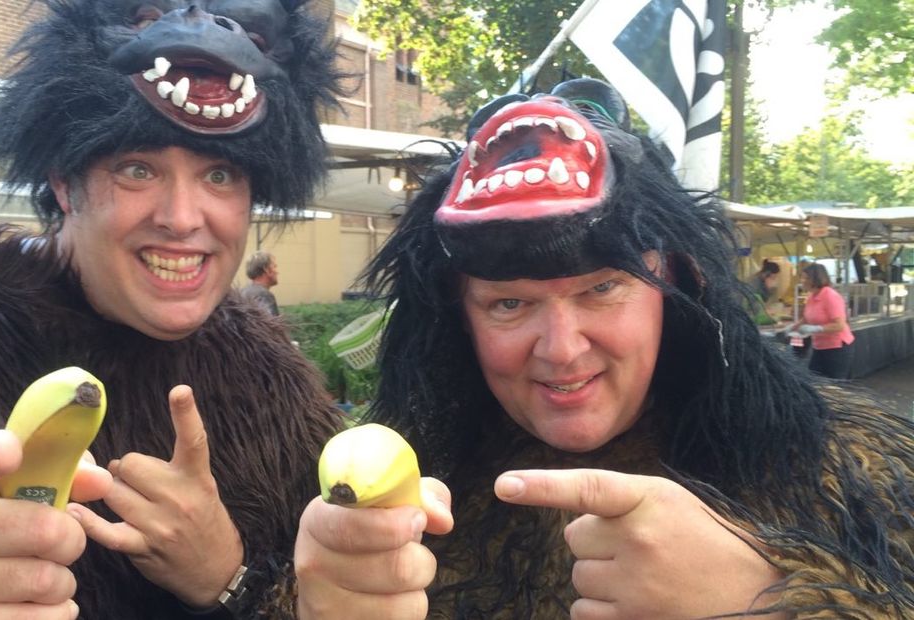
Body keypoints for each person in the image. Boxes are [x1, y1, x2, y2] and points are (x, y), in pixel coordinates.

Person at [294, 79, 914, 618]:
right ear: (456, 320)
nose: (562, 351)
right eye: (508, 304)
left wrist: (772, 602)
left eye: (603, 288)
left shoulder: (855, 465)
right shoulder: (408, 489)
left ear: (677, 286)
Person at [0, 0, 348, 618]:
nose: (182, 218)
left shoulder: (272, 381)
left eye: (220, 176)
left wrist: (226, 576)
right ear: (65, 184)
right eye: (138, 169)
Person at [791, 262, 856, 380]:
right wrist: (792, 327)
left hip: (837, 348)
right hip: (819, 346)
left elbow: (840, 325)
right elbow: (807, 318)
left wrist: (816, 328)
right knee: (815, 381)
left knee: (835, 385)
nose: (802, 280)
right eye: (802, 277)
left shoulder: (830, 296)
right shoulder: (811, 296)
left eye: (805, 278)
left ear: (815, 279)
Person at [241, 251, 282, 316]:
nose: (277, 272)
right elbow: (270, 325)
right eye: (274, 266)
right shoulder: (264, 295)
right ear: (266, 269)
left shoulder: (242, 292)